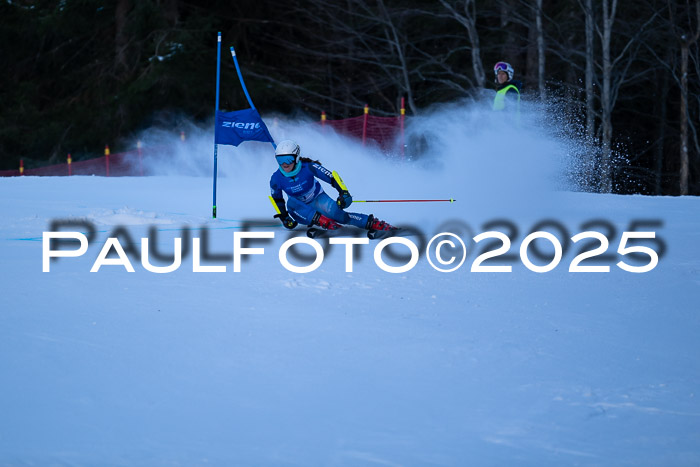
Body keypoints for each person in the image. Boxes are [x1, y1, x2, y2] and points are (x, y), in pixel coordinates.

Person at [269, 140, 395, 236]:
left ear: (296, 158)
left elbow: (331, 178)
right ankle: (324, 222)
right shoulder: (276, 178)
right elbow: (278, 199)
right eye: (280, 160)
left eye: (288, 159)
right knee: (292, 202)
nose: (284, 164)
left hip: (317, 199)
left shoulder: (309, 167)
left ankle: (373, 223)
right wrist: (284, 217)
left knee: (340, 216)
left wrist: (344, 193)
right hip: (299, 210)